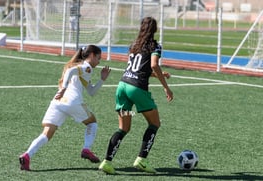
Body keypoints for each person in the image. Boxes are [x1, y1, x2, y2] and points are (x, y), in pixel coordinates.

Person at [98, 17, 173, 174]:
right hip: (137, 89)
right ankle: (141, 159)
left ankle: (107, 162)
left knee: (123, 128)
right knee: (155, 124)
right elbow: (153, 64)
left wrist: (157, 75)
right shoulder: (155, 45)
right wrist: (166, 87)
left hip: (123, 87)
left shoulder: (134, 45)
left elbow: (137, 69)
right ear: (155, 30)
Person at [19, 45, 111, 171]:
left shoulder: (81, 69)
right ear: (92, 55)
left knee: (46, 134)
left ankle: (27, 155)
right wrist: (64, 88)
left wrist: (102, 79)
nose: (99, 61)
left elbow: (91, 91)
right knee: (92, 123)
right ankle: (86, 149)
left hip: (57, 102)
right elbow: (70, 72)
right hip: (72, 102)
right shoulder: (86, 67)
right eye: (99, 58)